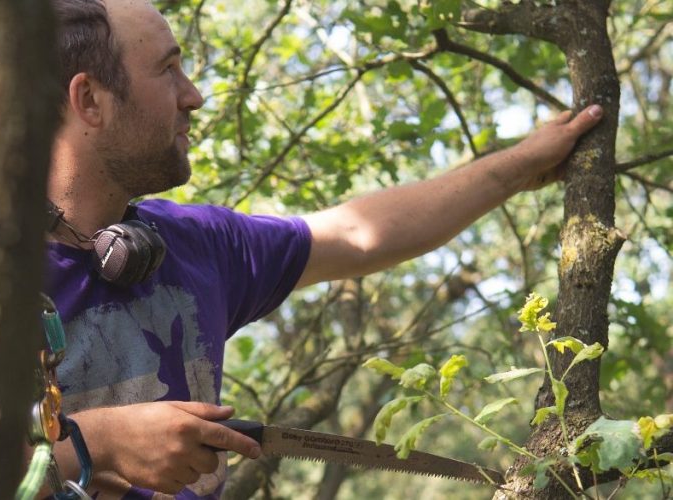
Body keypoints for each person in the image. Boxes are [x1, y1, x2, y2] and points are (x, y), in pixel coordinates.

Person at [42, 0, 603, 498]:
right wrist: (98, 445)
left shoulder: (194, 247)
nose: (194, 95)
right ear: (89, 98)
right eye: (167, 70)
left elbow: (359, 234)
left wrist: (519, 165)